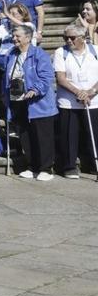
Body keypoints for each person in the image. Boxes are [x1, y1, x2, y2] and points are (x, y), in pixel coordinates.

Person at [5, 25, 57, 181]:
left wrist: (35, 89)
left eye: (17, 36)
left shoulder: (39, 54)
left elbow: (47, 76)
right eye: (13, 36)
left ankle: (46, 168)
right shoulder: (12, 54)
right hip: (19, 101)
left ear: (28, 38)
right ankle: (31, 165)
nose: (14, 38)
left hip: (38, 103)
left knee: (43, 136)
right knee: (26, 136)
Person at [53, 24, 98, 180]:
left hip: (93, 100)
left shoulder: (95, 51)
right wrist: (78, 92)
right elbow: (61, 78)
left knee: (94, 134)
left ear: (83, 37)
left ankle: (93, 164)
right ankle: (69, 166)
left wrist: (91, 92)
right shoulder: (61, 52)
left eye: (72, 38)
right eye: (65, 38)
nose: (68, 41)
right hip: (69, 101)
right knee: (68, 135)